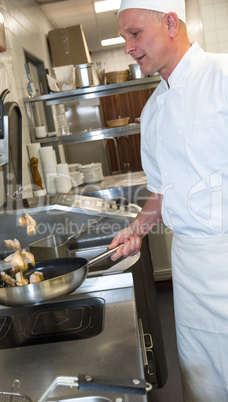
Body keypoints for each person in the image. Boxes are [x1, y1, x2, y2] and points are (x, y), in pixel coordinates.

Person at [108, 1, 228, 401]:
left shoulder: (223, 74)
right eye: (124, 36)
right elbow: (162, 192)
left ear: (171, 23)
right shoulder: (152, 110)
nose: (127, 46)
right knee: (204, 381)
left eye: (134, 33)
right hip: (190, 271)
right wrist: (135, 230)